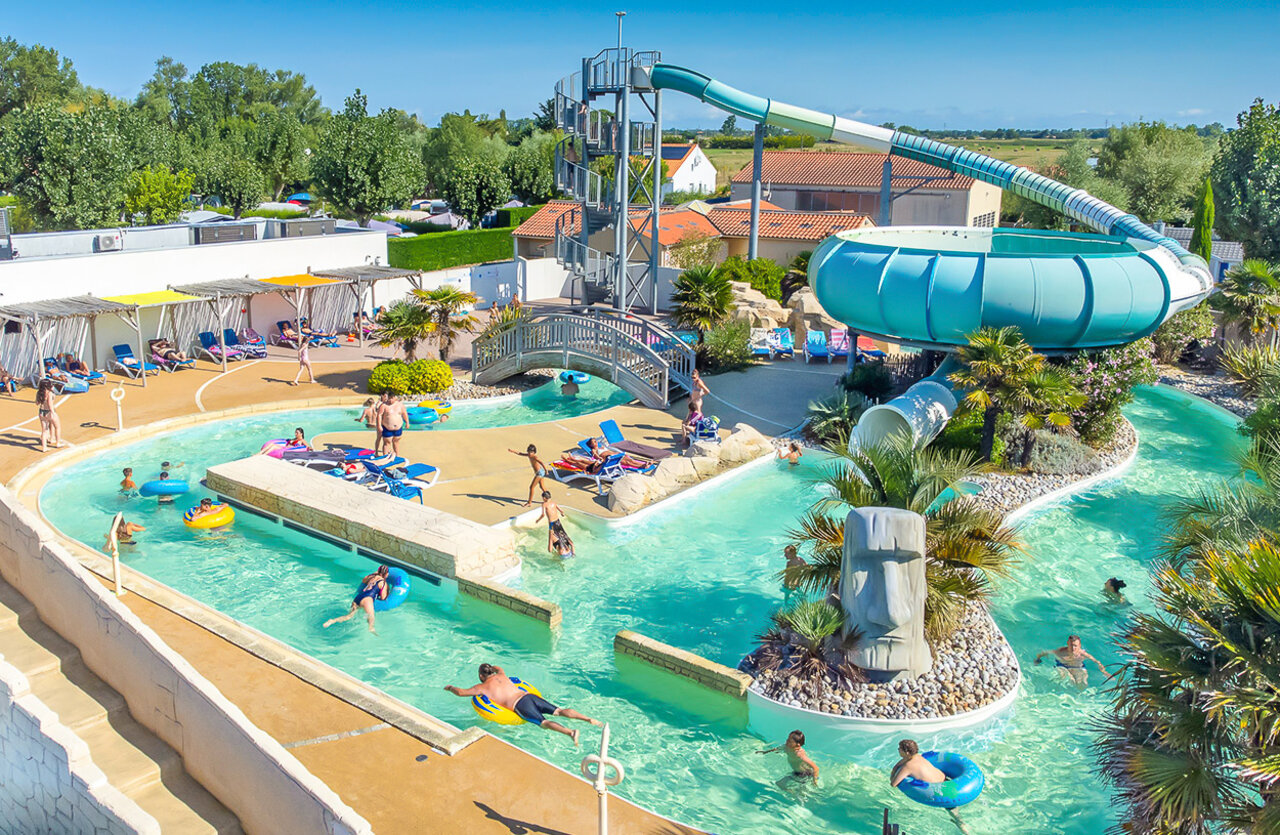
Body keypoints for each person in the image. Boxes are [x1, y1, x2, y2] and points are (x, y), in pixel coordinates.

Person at [444, 663, 600, 746]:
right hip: (529, 696)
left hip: (520, 705)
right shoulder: (502, 675)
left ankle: (570, 733)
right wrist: (493, 667)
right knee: (559, 711)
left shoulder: (481, 688)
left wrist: (450, 688)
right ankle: (588, 719)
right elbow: (499, 667)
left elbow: (461, 692)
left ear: (480, 676)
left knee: (543, 722)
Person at [323, 566, 390, 633]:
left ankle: (332, 621)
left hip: (358, 597)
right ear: (386, 574)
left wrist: (375, 573)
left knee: (349, 616)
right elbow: (383, 598)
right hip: (367, 599)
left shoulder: (371, 578)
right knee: (371, 618)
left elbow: (363, 580)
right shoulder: (383, 583)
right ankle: (372, 631)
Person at [1035, 634, 1108, 688]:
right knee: (1069, 680)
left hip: (1078, 667)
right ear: (1067, 644)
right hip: (1062, 666)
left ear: (1079, 645)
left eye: (1075, 646)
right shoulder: (1060, 651)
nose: (1073, 648)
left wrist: (1104, 672)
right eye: (1071, 645)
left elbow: (1097, 662)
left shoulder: (1082, 654)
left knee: (1083, 683)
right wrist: (1038, 659)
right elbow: (1044, 653)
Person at [536, 490, 574, 556]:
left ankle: (556, 549)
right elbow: (561, 511)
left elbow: (543, 515)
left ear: (544, 498)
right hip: (558, 521)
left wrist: (538, 520)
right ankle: (566, 547)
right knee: (562, 534)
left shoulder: (544, 504)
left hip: (551, 524)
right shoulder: (554, 503)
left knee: (552, 536)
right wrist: (562, 514)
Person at [36, 378, 61, 453]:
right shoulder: (49, 393)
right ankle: (58, 443)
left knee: (44, 431)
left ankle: (44, 447)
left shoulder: (39, 393)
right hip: (49, 411)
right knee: (57, 427)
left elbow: (37, 403)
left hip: (41, 412)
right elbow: (50, 404)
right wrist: (53, 413)